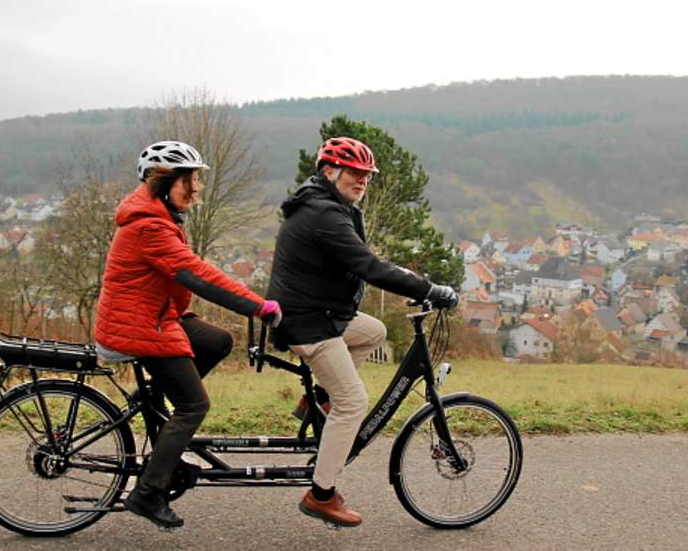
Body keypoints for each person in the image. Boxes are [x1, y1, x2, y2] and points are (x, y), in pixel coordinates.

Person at [266, 136, 457, 527]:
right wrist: (429, 289)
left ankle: (318, 401)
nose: (362, 181)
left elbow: (363, 263)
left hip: (320, 313)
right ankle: (322, 494)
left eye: (367, 175)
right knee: (353, 401)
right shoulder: (324, 213)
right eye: (355, 173)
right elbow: (369, 266)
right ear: (329, 171)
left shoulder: (325, 205)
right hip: (308, 322)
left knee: (373, 330)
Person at [94, 140, 282, 530]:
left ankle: (160, 419)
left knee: (217, 341)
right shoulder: (149, 226)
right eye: (189, 180)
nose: (196, 188)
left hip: (156, 318)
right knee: (194, 405)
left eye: (196, 179)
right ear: (162, 183)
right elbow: (197, 275)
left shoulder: (157, 216)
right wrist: (258, 306)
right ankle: (148, 493)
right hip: (142, 328)